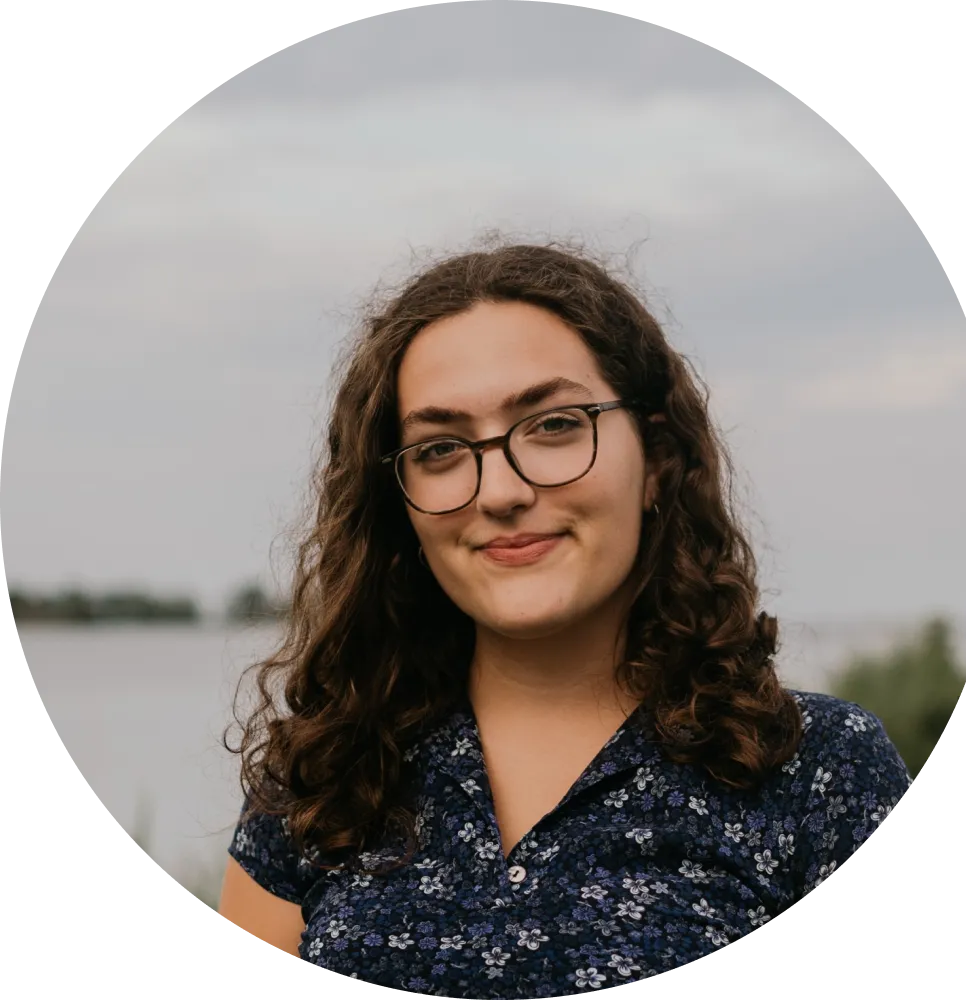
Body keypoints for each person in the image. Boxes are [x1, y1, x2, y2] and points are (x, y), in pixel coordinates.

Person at [218, 239, 912, 996]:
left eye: (552, 425)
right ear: (399, 505)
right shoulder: (324, 775)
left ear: (655, 459)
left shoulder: (816, 772)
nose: (500, 492)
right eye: (442, 448)